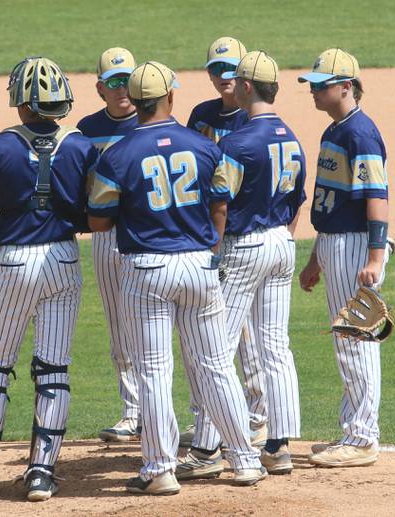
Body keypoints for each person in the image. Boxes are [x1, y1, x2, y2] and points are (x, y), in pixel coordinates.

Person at [88, 61, 266, 495]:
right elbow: (221, 206)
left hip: (147, 270)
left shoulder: (118, 155)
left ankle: (159, 469)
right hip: (200, 267)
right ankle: (245, 460)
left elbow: (98, 223)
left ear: (137, 101)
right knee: (217, 366)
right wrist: (209, 249)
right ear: (171, 97)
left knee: (154, 370)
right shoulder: (205, 147)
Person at [0, 56, 98, 502]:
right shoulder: (83, 147)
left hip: (14, 263)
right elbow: (97, 212)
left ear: (18, 101)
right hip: (65, 260)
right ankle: (41, 474)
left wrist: (9, 229)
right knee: (53, 367)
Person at [179, 51, 306, 479]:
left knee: (216, 348)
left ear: (247, 87)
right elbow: (296, 202)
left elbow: (219, 203)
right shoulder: (291, 137)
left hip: (243, 246)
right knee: (276, 346)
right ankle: (279, 445)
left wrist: (214, 253)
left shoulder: (237, 143)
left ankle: (206, 447)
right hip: (281, 244)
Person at [297, 48, 391, 468]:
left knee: (357, 339)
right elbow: (330, 201)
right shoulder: (334, 131)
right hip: (336, 242)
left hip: (356, 246)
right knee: (346, 339)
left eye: (321, 85)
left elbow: (377, 198)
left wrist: (374, 256)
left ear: (346, 87)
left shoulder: (361, 134)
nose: (313, 91)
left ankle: (362, 437)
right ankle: (354, 430)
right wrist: (317, 258)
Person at [180, 36, 268, 452]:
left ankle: (255, 417)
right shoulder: (201, 115)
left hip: (239, 235)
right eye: (216, 70)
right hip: (206, 235)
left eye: (231, 70)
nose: (224, 78)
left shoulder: (255, 119)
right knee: (212, 332)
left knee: (242, 333)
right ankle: (215, 420)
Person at [76, 47, 141, 443]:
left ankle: (163, 410)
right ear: (100, 88)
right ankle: (132, 411)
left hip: (148, 238)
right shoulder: (86, 129)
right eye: (114, 82)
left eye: (127, 80)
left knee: (157, 325)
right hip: (105, 236)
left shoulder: (152, 121)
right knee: (119, 324)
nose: (122, 89)